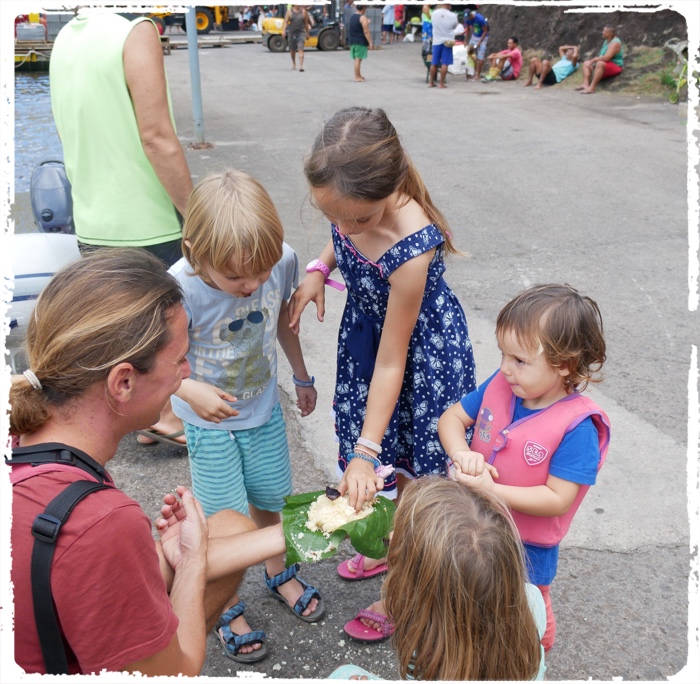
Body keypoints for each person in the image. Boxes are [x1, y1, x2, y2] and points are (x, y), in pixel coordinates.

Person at [8, 249, 295, 674]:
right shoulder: (100, 522)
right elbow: (174, 673)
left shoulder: (24, 435)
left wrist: (309, 528)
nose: (187, 373)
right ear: (123, 381)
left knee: (232, 525)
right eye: (180, 359)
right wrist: (193, 560)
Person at [288, 106, 476, 642]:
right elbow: (341, 231)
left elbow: (395, 361)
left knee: (408, 472)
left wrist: (368, 451)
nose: (345, 228)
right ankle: (384, 543)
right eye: (334, 216)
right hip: (368, 345)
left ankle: (405, 585)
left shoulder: (414, 245)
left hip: (418, 361)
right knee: (375, 460)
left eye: (359, 219)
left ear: (389, 190)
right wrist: (320, 268)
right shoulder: (350, 199)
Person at [168, 169, 324, 660]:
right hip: (207, 420)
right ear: (195, 251)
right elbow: (160, 362)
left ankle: (278, 571)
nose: (252, 283)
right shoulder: (177, 289)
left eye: (261, 271)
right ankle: (225, 601)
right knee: (224, 517)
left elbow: (283, 317)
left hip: (260, 407)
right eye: (236, 276)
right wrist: (192, 391)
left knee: (271, 495)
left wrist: (300, 374)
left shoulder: (279, 261)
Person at [438, 283, 610, 653]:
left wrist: (492, 491)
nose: (505, 369)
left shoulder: (577, 427)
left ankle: (534, 650)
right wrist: (461, 453)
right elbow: (452, 419)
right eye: (503, 354)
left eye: (519, 361)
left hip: (528, 545)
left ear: (564, 364)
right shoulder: (502, 384)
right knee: (474, 588)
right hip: (475, 524)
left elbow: (558, 498)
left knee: (526, 600)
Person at [50, 9, 193, 448]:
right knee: (169, 334)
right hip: (145, 216)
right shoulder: (135, 32)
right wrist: (196, 214)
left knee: (127, 335)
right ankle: (166, 416)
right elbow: (156, 136)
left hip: (93, 213)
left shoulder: (65, 39)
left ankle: (148, 421)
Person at [328, 478, 546, 680]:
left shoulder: (429, 654)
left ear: (422, 595)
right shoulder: (532, 599)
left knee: (343, 674)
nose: (391, 537)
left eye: (400, 535)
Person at [576, 25, 624, 94]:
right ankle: (585, 84)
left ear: (608, 33)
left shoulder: (615, 43)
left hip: (615, 66)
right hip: (605, 65)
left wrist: (594, 60)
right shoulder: (607, 41)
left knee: (599, 63)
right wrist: (592, 62)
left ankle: (592, 88)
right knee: (586, 63)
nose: (602, 32)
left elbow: (607, 58)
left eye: (603, 31)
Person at [428, 3, 459, 88]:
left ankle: (431, 82)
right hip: (447, 41)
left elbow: (432, 22)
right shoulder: (453, 15)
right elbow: (455, 26)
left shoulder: (434, 13)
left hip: (436, 40)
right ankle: (441, 83)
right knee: (445, 63)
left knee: (434, 62)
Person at [348, 4, 372, 82]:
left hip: (353, 40)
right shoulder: (363, 18)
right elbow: (366, 31)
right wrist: (370, 42)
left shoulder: (352, 17)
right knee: (358, 59)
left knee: (357, 59)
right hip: (360, 41)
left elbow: (356, 26)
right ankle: (356, 76)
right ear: (364, 8)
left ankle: (358, 74)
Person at [463, 8, 489, 81]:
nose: (468, 19)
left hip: (483, 37)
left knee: (480, 56)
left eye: (469, 17)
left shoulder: (480, 19)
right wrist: (466, 40)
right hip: (475, 36)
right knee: (469, 52)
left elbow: (485, 31)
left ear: (471, 14)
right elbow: (468, 30)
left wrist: (479, 42)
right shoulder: (467, 20)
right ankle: (472, 71)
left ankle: (478, 74)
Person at [284, 4, 311, 71]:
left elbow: (306, 23)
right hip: (292, 33)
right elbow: (286, 22)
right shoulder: (289, 12)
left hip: (301, 33)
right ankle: (294, 63)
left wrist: (307, 33)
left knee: (301, 49)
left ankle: (301, 66)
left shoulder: (303, 12)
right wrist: (283, 30)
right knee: (292, 50)